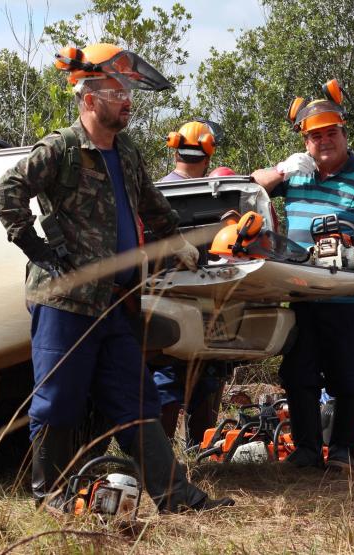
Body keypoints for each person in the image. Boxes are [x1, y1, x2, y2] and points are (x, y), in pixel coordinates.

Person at [0, 43, 233, 512]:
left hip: (117, 302)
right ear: (89, 98)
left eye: (128, 92)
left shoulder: (126, 152)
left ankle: (175, 496)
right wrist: (37, 249)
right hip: (65, 302)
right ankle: (50, 497)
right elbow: (8, 192)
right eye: (116, 91)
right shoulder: (60, 148)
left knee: (137, 400)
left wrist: (183, 243)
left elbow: (153, 207)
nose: (126, 100)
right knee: (58, 401)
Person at [250, 81, 354, 473]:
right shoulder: (297, 175)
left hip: (349, 297)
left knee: (348, 376)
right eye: (315, 136)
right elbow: (250, 186)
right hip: (302, 295)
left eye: (330, 134)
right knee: (298, 372)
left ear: (344, 134)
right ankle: (306, 449)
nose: (324, 142)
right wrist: (281, 169)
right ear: (306, 141)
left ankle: (342, 451)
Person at [153, 120, 234, 443]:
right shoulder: (218, 197)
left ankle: (159, 459)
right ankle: (203, 452)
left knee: (166, 373)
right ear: (208, 156)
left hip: (163, 297)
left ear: (175, 151)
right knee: (207, 373)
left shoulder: (155, 192)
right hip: (208, 297)